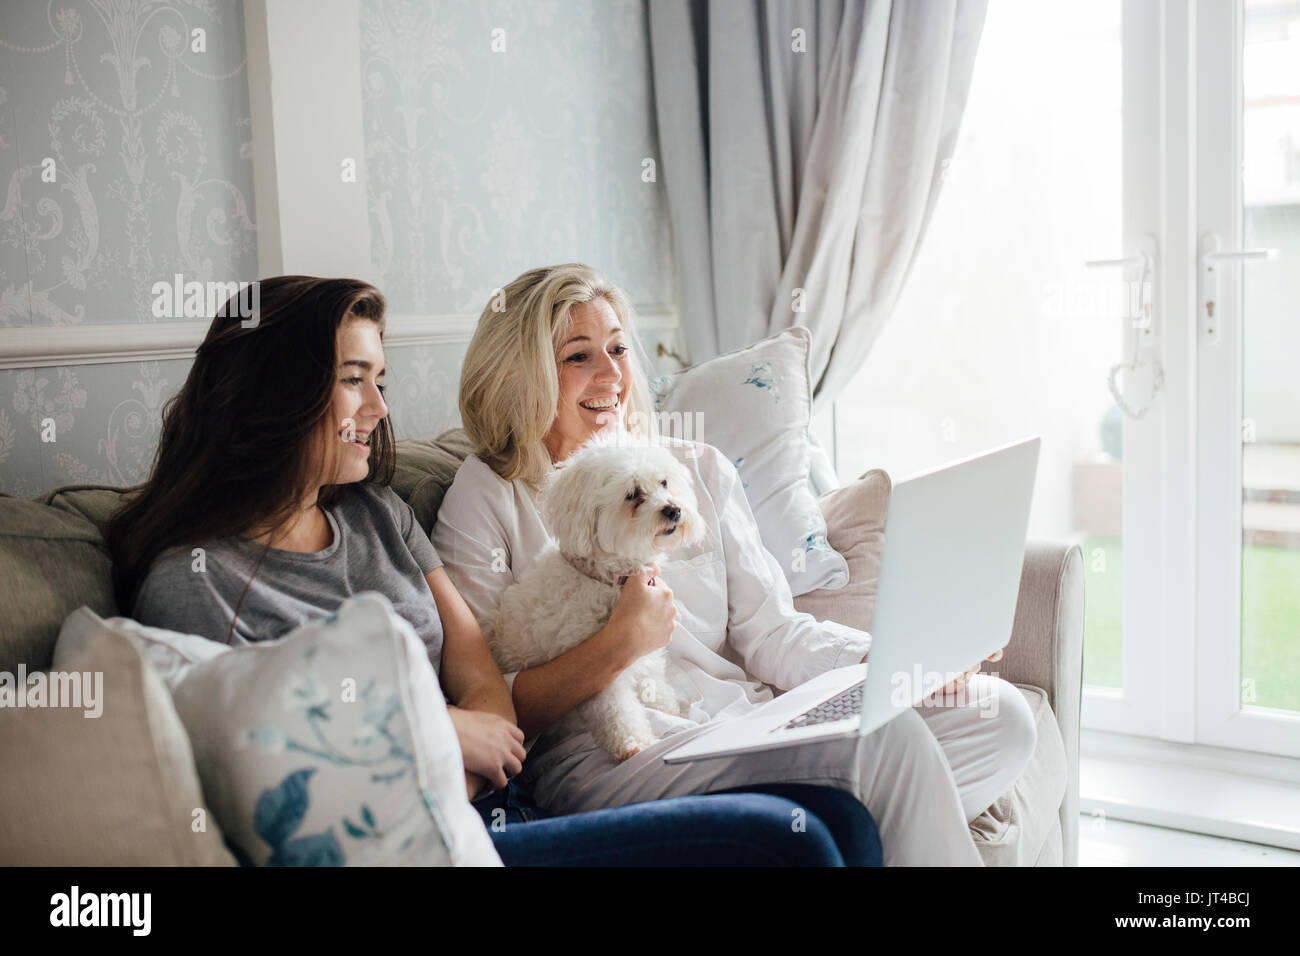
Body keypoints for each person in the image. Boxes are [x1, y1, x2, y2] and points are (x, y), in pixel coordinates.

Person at [106, 274, 875, 866]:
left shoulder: (380, 518)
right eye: (353, 379)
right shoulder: (194, 580)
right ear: (273, 392)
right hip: (416, 842)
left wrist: (477, 729)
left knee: (838, 816)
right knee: (789, 840)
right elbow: (251, 755)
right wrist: (446, 736)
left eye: (380, 381)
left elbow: (484, 681)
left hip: (499, 802)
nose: (377, 407)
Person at [434, 263, 1040, 867]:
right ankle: (827, 811)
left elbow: (773, 631)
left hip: (743, 720)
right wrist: (619, 644)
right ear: (525, 373)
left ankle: (827, 816)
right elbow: (497, 704)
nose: (613, 375)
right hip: (613, 753)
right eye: (579, 357)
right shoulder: (487, 493)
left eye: (618, 349)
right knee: (888, 743)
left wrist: (897, 662)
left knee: (998, 717)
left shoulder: (694, 469)